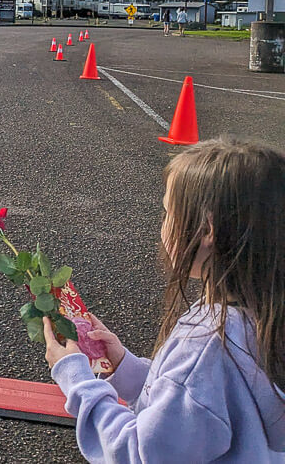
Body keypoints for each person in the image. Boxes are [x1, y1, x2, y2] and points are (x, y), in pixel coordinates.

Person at [43, 136, 285, 462]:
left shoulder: (206, 346)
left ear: (207, 229)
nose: (163, 223)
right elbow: (197, 407)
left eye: (168, 211)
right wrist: (125, 368)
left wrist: (77, 380)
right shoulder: (264, 312)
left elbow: (141, 453)